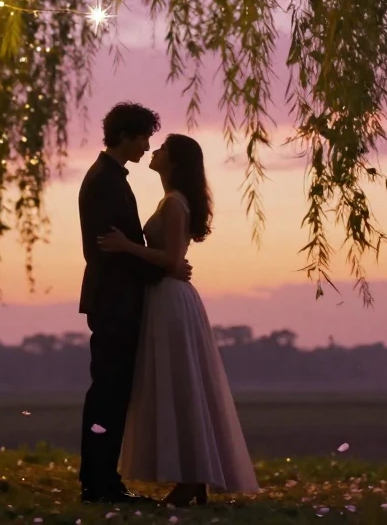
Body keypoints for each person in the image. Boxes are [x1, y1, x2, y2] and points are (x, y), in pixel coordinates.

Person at [98, 133, 260, 506]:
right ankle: (192, 477)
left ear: (173, 162)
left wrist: (126, 246)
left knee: (179, 384)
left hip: (169, 299)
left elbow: (172, 260)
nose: (153, 151)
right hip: (165, 297)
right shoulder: (173, 200)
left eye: (162, 149)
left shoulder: (173, 203)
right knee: (178, 384)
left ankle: (191, 479)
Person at [77, 103, 192, 504]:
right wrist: (165, 268)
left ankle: (102, 481)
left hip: (118, 299)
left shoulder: (110, 178)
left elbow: (123, 247)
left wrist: (162, 265)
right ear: (125, 135)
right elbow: (109, 252)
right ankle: (99, 485)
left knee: (112, 392)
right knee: (108, 392)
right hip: (114, 301)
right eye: (143, 137)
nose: (146, 146)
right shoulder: (105, 182)